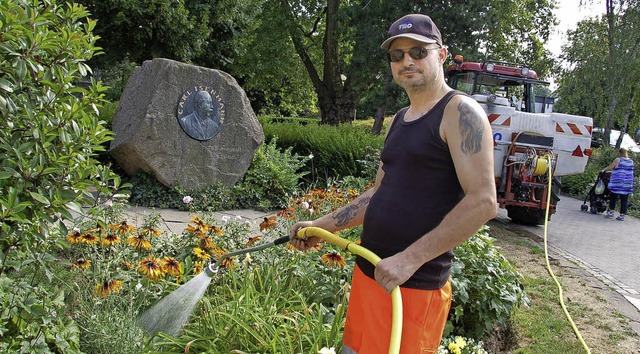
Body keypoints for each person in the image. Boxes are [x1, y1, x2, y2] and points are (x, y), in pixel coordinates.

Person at [289, 13, 497, 354]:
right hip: (371, 273)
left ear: (442, 55)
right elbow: (377, 194)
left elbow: (484, 202)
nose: (407, 61)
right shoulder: (400, 119)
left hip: (413, 287)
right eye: (397, 55)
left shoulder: (459, 112)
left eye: (418, 51)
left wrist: (408, 260)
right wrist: (319, 226)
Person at [604, 148, 634, 221]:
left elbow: (611, 168)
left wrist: (604, 170)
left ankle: (611, 212)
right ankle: (622, 215)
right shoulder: (631, 161)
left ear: (620, 153)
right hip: (627, 183)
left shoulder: (618, 159)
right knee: (624, 199)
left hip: (617, 182)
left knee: (613, 197)